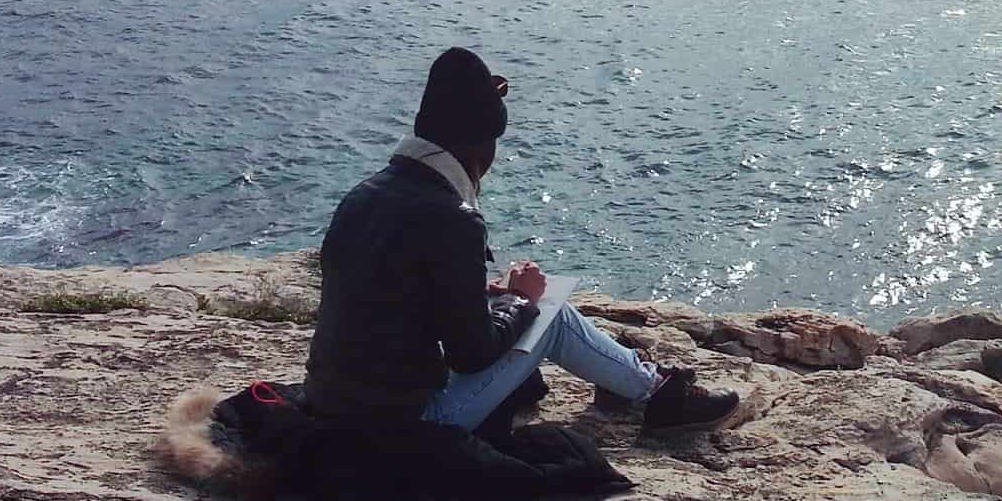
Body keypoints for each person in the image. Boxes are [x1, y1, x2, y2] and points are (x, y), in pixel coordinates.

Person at [302, 46, 737, 438]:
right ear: (478, 147)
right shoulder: (454, 220)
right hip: (408, 424)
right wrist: (521, 302)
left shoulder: (364, 195)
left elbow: (391, 303)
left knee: (523, 310)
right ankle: (660, 395)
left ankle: (625, 381)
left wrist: (482, 297)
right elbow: (470, 356)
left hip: (332, 403)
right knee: (553, 317)